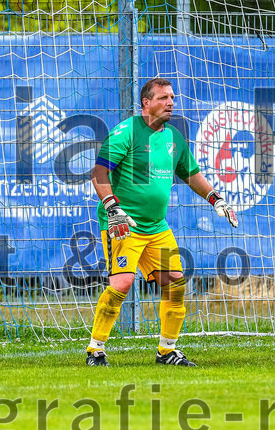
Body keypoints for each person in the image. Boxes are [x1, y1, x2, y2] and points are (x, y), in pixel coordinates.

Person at [86, 77, 239, 367]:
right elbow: (98, 173)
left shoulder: (174, 138)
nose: (170, 103)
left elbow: (191, 174)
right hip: (124, 224)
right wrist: (112, 207)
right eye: (163, 98)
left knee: (176, 284)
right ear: (146, 103)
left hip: (157, 227)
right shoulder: (127, 132)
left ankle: (167, 351)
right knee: (121, 284)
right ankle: (95, 350)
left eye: (172, 98)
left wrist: (215, 199)